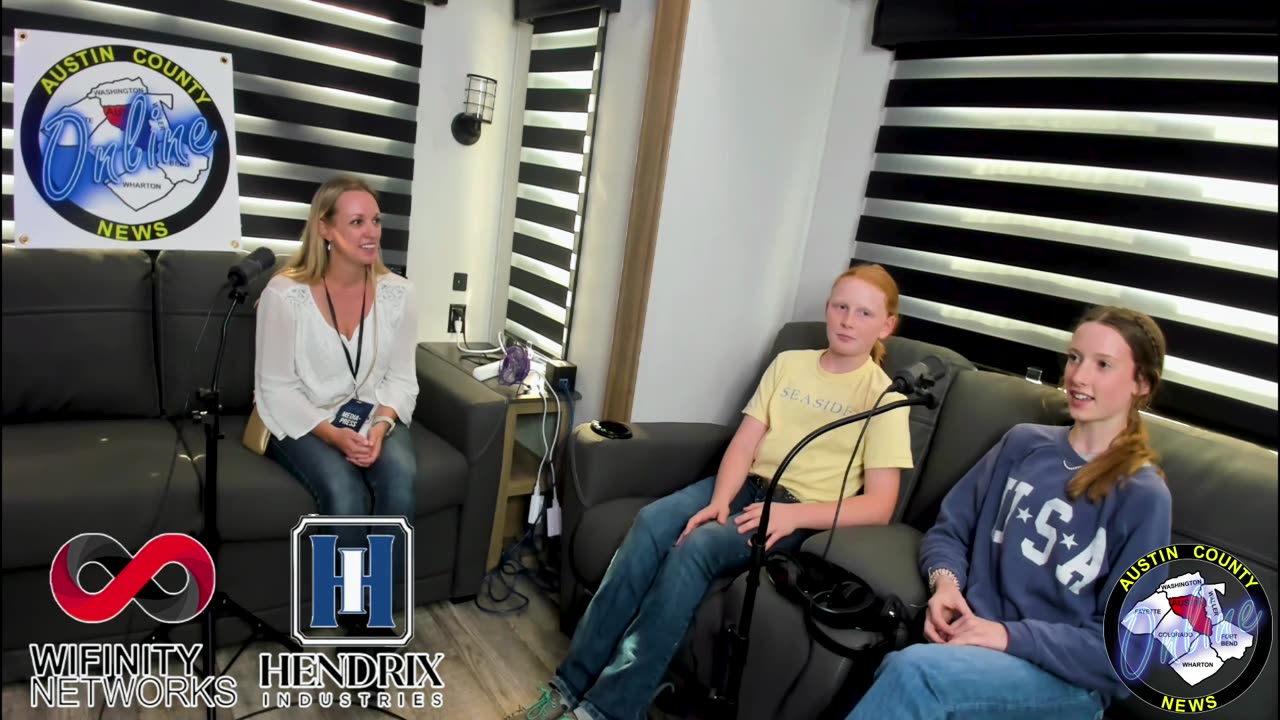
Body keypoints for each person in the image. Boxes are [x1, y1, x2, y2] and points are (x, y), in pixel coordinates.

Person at [508, 264, 916, 720]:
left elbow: (880, 505)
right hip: (743, 487)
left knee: (695, 548)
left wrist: (792, 518)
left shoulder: (886, 400)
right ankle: (570, 684)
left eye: (863, 313)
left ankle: (607, 710)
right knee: (651, 523)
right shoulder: (790, 364)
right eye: (841, 306)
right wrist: (720, 499)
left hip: (794, 513)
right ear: (828, 308)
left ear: (886, 325)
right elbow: (744, 443)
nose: (847, 320)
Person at [846, 306, 1173, 720]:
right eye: (1075, 358)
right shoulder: (1022, 445)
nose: (1078, 376)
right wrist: (945, 585)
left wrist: (1006, 636)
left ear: (1140, 383)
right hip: (970, 646)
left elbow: (1127, 650)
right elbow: (951, 531)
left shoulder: (1144, 496)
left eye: (1103, 364)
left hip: (1062, 680)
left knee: (914, 674)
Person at [253, 175, 419, 636]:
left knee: (400, 481)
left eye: (376, 221)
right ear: (325, 229)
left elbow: (403, 379)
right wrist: (332, 433)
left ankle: (378, 608)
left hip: (373, 413)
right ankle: (351, 617)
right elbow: (275, 388)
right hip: (303, 417)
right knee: (345, 495)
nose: (371, 232)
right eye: (357, 221)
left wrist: (381, 427)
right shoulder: (284, 295)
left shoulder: (398, 295)